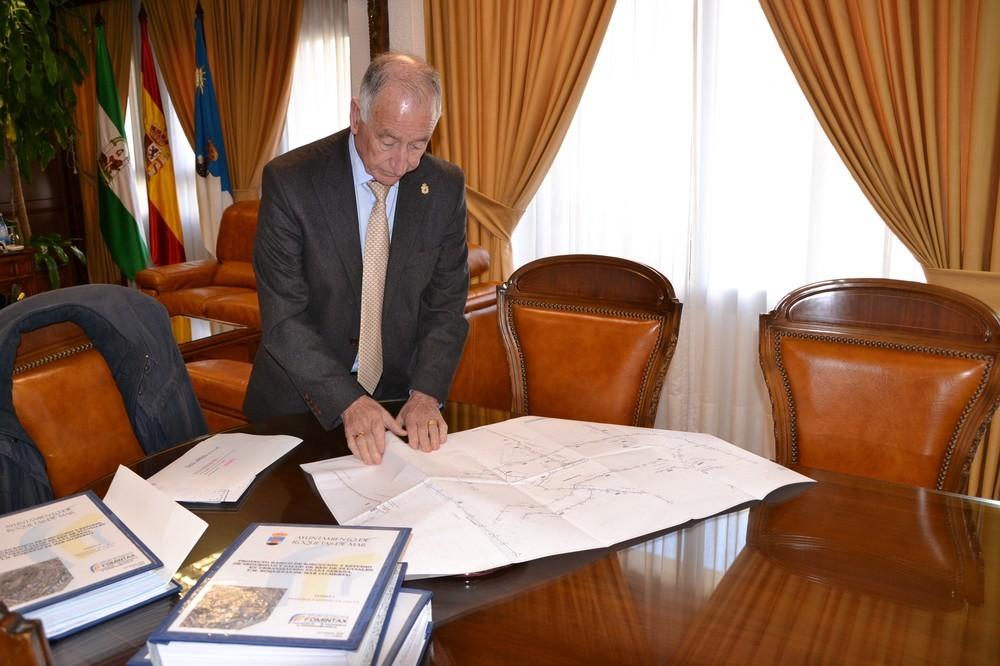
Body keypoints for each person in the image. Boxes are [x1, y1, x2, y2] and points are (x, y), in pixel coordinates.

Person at [243, 53, 469, 466]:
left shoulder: (444, 187)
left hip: (397, 404)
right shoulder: (292, 182)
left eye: (418, 144)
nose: (402, 163)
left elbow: (445, 307)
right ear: (356, 115)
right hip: (298, 406)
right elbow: (284, 318)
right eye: (388, 141)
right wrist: (348, 400)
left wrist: (426, 393)